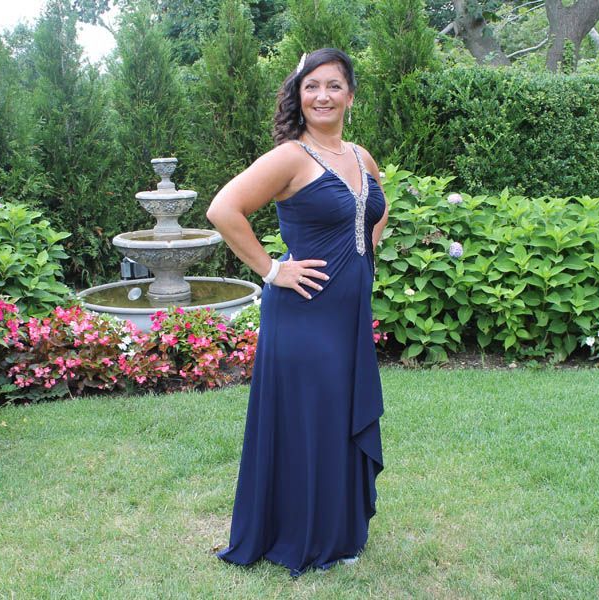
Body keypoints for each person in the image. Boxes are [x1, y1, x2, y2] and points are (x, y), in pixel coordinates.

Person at [206, 47, 388, 576]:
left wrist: (363, 259)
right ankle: (306, 535)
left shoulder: (360, 157)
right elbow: (224, 209)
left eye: (333, 86)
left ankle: (341, 531)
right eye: (312, 87)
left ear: (350, 96)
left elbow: (376, 210)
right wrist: (272, 270)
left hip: (347, 314)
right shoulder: (291, 157)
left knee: (339, 416)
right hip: (304, 314)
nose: (322, 95)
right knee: (313, 419)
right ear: (299, 96)